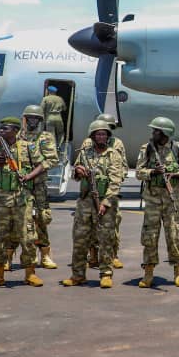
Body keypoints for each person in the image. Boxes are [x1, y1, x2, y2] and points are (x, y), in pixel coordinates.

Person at [0, 117, 46, 288]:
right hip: (2, 199)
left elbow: (42, 165)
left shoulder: (27, 147)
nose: (1, 131)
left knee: (28, 236)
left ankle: (30, 274)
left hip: (22, 197)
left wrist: (28, 176)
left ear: (15, 130)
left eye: (5, 128)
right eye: (0, 128)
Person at [63, 121, 124, 288]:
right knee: (80, 240)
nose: (101, 137)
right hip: (85, 202)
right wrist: (78, 171)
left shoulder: (114, 155)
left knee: (105, 240)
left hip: (105, 203)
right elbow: (75, 172)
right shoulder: (85, 153)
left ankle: (106, 274)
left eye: (104, 134)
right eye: (98, 134)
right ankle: (78, 275)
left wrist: (105, 203)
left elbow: (115, 182)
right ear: (92, 137)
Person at [135, 117, 179, 288]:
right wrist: (152, 172)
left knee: (174, 236)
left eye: (156, 131)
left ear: (165, 133)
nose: (153, 133)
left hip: (171, 200)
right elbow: (139, 172)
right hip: (152, 200)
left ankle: (178, 272)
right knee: (149, 237)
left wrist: (177, 175)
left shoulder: (177, 149)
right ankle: (148, 273)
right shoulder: (147, 149)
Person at [78, 113, 128, 269]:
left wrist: (116, 178)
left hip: (109, 191)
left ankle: (113, 255)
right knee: (90, 227)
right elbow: (80, 163)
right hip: (90, 191)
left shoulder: (117, 144)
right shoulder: (87, 144)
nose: (103, 132)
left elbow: (123, 166)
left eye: (107, 129)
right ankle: (92, 256)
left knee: (112, 225)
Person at [19, 105, 60, 270]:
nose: (32, 121)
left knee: (42, 219)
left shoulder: (45, 137)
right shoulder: (17, 136)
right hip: (21, 185)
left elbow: (52, 160)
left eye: (36, 118)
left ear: (40, 121)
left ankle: (45, 254)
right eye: (30, 118)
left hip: (38, 185)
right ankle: (15, 255)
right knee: (19, 220)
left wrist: (33, 173)